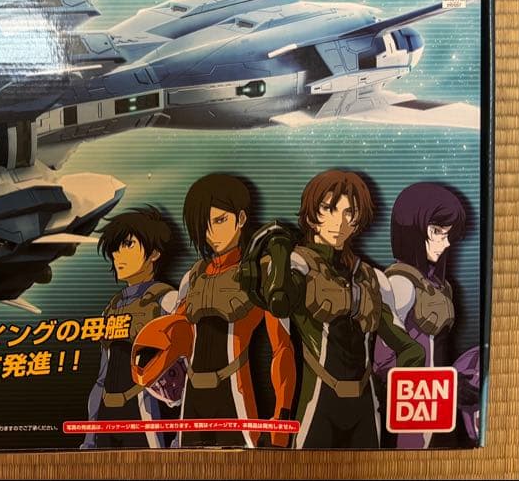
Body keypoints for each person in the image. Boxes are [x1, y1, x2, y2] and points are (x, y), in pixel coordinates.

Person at [131, 174, 295, 448]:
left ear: (241, 218)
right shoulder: (194, 277)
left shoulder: (262, 272)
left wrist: (282, 416)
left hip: (235, 396)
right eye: (204, 226)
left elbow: (282, 348)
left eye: (220, 221)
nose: (212, 235)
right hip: (192, 399)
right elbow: (173, 336)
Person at [268, 170, 424, 449]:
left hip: (365, 406)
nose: (339, 222)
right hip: (318, 402)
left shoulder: (371, 278)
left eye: (349, 212)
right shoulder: (298, 266)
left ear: (357, 220)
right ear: (311, 215)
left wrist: (395, 392)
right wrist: (279, 256)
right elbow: (279, 302)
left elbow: (409, 349)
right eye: (329, 209)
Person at [374, 182, 481, 448]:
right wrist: (440, 386)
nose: (445, 243)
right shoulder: (399, 283)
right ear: (413, 229)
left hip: (440, 404)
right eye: (437, 232)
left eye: (448, 234)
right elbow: (383, 364)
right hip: (409, 407)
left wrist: (455, 382)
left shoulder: (441, 286)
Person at [82, 206, 182, 449]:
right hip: (108, 416)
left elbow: (186, 376)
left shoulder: (167, 301)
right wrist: (90, 437)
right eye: (115, 248)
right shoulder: (112, 307)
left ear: (154, 253)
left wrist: (181, 436)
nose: (118, 255)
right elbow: (101, 378)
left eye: (128, 245)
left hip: (146, 412)